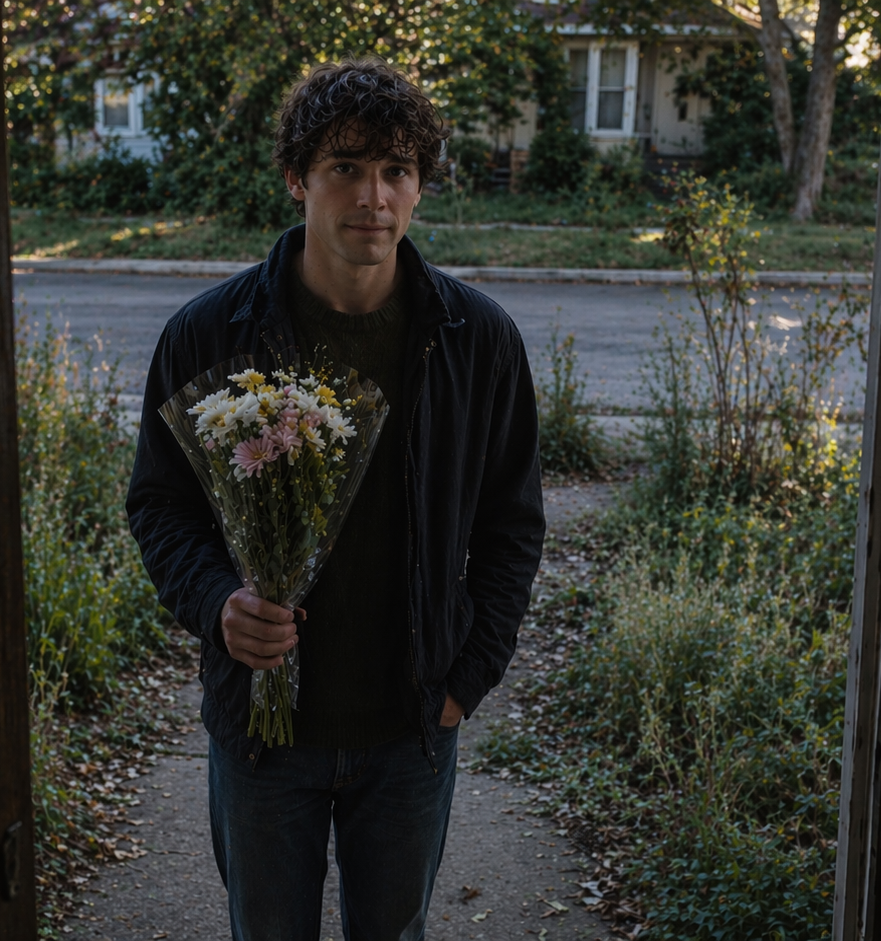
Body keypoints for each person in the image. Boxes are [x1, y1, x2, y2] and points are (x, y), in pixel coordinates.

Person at [125, 57, 545, 941]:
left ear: (421, 186)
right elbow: (160, 507)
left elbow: (512, 525)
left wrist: (466, 678)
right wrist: (217, 604)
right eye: (346, 167)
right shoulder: (209, 333)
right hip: (263, 735)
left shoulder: (478, 342)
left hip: (410, 729)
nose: (374, 197)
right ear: (297, 177)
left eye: (397, 171)